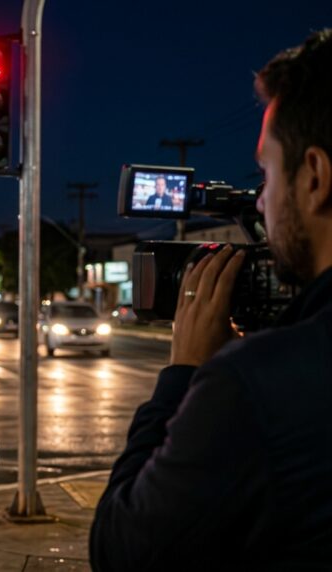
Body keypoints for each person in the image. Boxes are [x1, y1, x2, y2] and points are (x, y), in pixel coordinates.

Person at [91, 29, 332, 570]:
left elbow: (123, 548)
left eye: (266, 174)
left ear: (314, 177)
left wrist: (186, 373)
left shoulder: (257, 383)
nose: (261, 202)